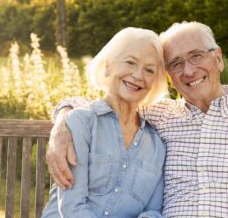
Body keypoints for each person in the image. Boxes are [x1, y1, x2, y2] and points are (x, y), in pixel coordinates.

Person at [47, 21, 228, 217]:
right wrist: (62, 122)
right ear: (169, 75)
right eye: (176, 63)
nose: (189, 70)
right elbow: (104, 106)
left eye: (196, 56)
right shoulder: (161, 117)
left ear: (218, 58)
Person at [42, 27, 168, 218]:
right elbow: (72, 207)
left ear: (155, 82)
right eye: (130, 62)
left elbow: (153, 211)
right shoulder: (82, 122)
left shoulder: (157, 144)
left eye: (149, 70)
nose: (138, 75)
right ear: (108, 67)